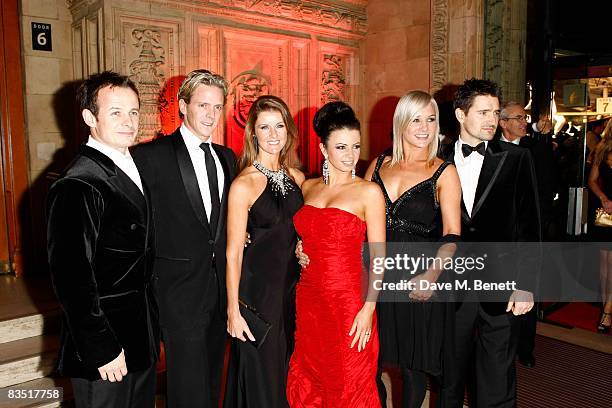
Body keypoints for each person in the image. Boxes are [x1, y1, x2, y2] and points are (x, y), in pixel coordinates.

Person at [47, 71, 159, 408]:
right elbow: (72, 278)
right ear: (89, 117)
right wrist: (102, 348)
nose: (128, 122)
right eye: (115, 112)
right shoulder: (79, 182)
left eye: (134, 112)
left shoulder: (127, 164)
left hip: (139, 336)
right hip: (106, 348)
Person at [132, 69, 237, 407]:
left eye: (218, 107)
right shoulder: (151, 156)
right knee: (186, 384)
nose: (211, 115)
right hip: (177, 292)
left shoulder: (226, 157)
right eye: (203, 105)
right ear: (182, 105)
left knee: (211, 379)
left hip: (220, 289)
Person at [439, 78, 540, 407]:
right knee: (448, 379)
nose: (491, 120)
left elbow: (529, 227)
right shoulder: (435, 160)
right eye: (482, 112)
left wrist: (526, 284)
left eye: (495, 113)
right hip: (449, 288)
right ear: (460, 114)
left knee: (497, 380)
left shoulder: (517, 158)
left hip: (502, 287)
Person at [364, 91, 461, 407]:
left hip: (417, 276)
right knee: (370, 361)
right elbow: (353, 221)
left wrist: (432, 275)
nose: (424, 127)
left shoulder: (443, 171)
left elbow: (451, 233)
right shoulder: (378, 164)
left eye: (431, 119)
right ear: (401, 122)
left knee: (412, 367)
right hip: (375, 273)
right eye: (416, 119)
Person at [286, 101, 386, 407]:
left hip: (348, 304)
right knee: (311, 378)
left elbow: (380, 258)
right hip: (309, 300)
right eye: (341, 147)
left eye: (355, 146)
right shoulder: (309, 187)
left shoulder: (368, 192)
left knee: (349, 381)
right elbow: (301, 231)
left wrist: (368, 309)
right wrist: (298, 247)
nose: (351, 155)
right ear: (323, 149)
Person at [224, 95, 304, 407]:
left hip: (292, 293)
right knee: (262, 377)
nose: (273, 134)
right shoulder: (244, 183)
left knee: (288, 374)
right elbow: (233, 252)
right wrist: (233, 309)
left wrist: (303, 248)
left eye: (279, 126)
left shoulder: (298, 178)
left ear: (288, 130)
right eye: (265, 127)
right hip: (256, 296)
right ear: (253, 133)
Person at [498, 101, 557, 368]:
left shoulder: (537, 150)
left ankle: (525, 347)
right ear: (503, 122)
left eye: (525, 117)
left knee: (527, 286)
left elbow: (545, 191)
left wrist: (537, 227)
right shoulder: (490, 147)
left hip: (529, 231)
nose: (524, 122)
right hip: (499, 236)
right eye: (518, 118)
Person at [587, 127, 612, 334]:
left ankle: (606, 312)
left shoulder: (602, 149)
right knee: (605, 268)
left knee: (609, 267)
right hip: (607, 214)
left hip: (607, 209)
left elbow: (593, 180)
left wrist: (604, 198)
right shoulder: (601, 150)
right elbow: (592, 180)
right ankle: (607, 310)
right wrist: (603, 198)